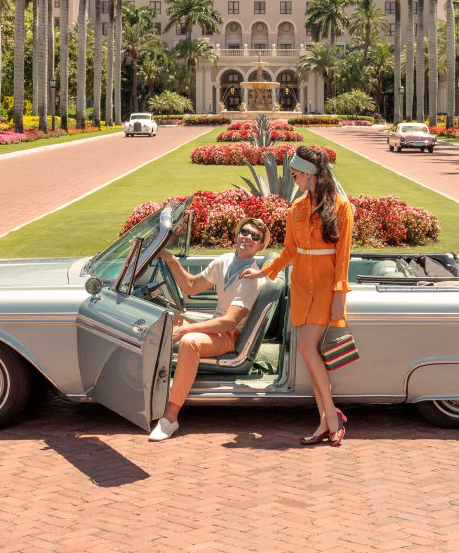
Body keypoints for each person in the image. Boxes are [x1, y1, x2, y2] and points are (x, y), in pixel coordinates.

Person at [242, 144, 353, 446]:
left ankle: (331, 416)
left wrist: (339, 295)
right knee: (310, 353)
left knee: (306, 347)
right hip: (302, 288)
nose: (292, 179)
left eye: (295, 174)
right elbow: (290, 251)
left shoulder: (341, 206)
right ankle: (328, 420)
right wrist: (264, 272)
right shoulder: (296, 208)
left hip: (327, 288)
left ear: (310, 173)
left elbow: (343, 256)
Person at [148, 217, 270, 441]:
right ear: (236, 234)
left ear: (261, 246)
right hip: (216, 327)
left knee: (190, 342)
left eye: (255, 237)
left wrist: (186, 331)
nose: (248, 238)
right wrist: (170, 259)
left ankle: (170, 417)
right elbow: (191, 287)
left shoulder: (251, 279)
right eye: (245, 231)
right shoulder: (224, 261)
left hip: (230, 336)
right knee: (164, 319)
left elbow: (229, 322)